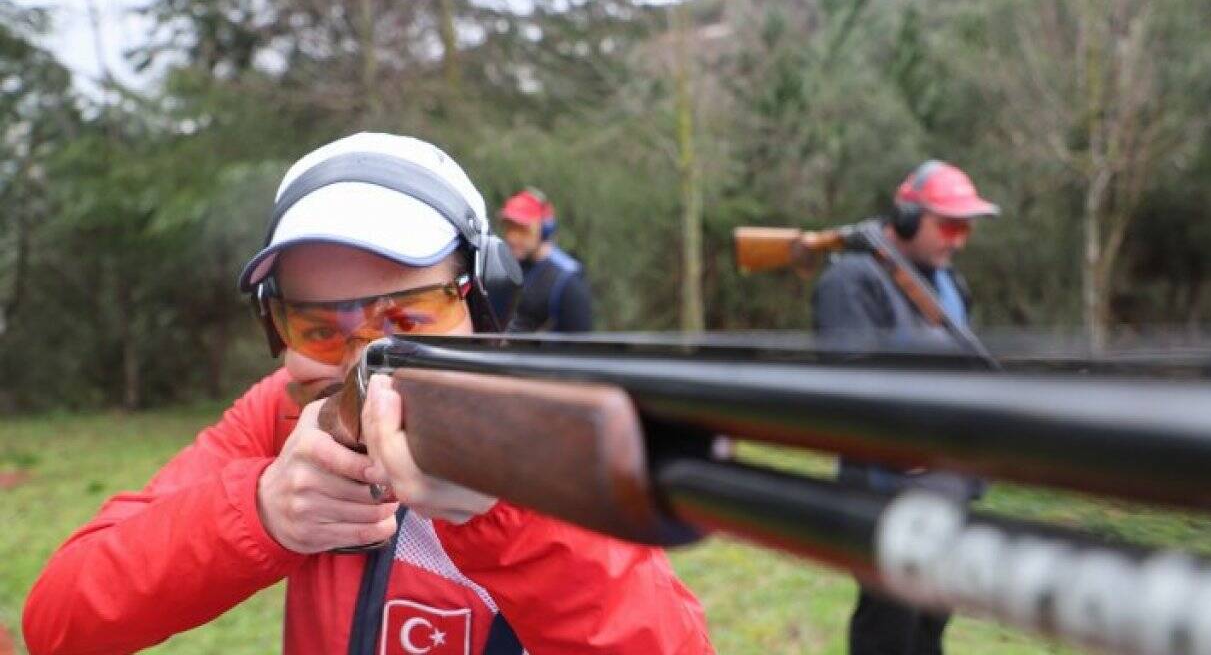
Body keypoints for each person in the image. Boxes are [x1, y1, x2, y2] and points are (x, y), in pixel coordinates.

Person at [23, 133, 712, 655]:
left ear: (486, 301)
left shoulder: (542, 429)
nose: (368, 358)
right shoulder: (285, 415)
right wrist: (260, 511)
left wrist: (507, 512)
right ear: (278, 330)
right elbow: (60, 621)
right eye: (321, 327)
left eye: (410, 316)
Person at [812, 160, 998, 655]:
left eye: (966, 227)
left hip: (948, 484)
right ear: (909, 217)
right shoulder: (853, 280)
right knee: (888, 631)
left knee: (931, 626)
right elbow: (851, 388)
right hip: (885, 491)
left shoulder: (950, 285)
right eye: (949, 224)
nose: (958, 239)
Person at [491, 187, 593, 333]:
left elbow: (579, 349)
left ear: (545, 229)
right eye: (509, 228)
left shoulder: (569, 282)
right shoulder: (509, 269)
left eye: (522, 229)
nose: (512, 237)